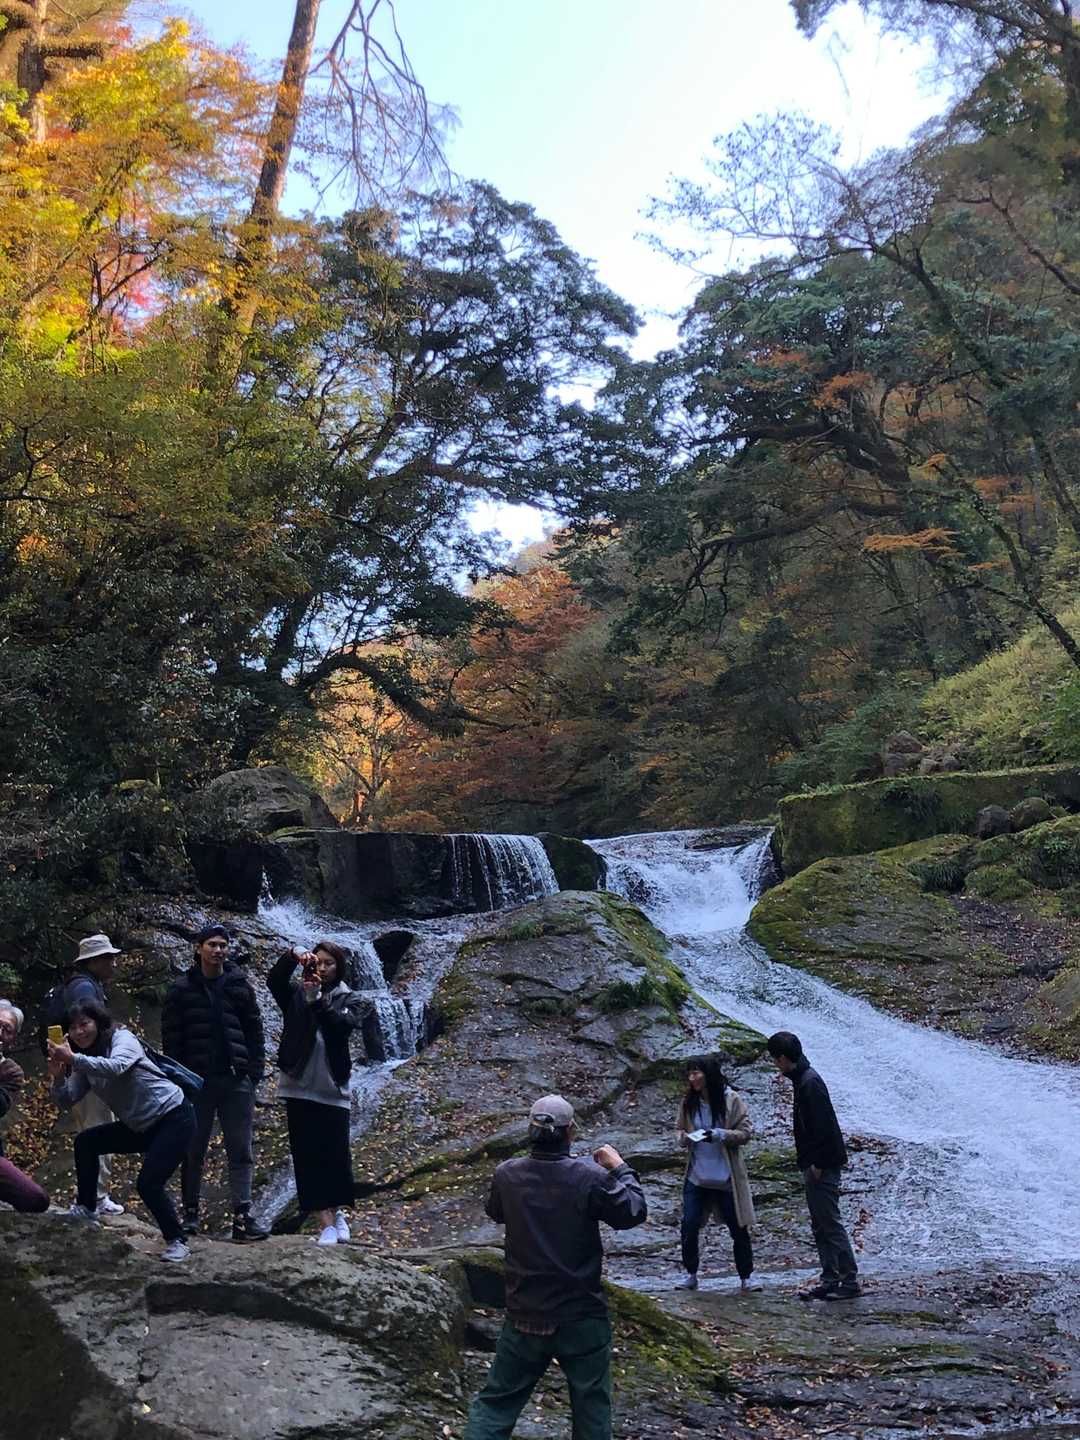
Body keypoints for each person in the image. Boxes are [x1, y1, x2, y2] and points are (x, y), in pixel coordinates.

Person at [464, 1094, 648, 1440]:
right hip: (581, 1315)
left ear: (530, 1131)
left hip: (524, 1312)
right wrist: (620, 1167)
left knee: (496, 1403)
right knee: (592, 1409)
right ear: (570, 1132)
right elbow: (633, 1212)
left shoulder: (508, 1175)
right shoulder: (590, 1177)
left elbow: (495, 1211)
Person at [48, 999, 195, 1261]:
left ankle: (177, 1240)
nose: (79, 1032)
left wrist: (73, 1058)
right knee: (86, 1142)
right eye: (73, 1028)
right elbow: (66, 1099)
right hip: (140, 1124)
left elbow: (116, 1067)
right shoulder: (85, 1062)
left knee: (149, 1183)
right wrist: (59, 1076)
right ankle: (87, 1208)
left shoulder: (122, 1038)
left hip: (173, 1116)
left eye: (84, 1024)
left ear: (98, 1022)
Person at [161, 923, 268, 1242]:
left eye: (223, 945)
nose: (219, 950)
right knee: (193, 1148)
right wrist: (178, 1078)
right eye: (212, 944)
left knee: (241, 1149)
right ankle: (190, 1214)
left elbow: (254, 1029)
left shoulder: (239, 985)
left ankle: (242, 1216)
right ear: (199, 948)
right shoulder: (181, 990)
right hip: (197, 1084)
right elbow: (172, 1038)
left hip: (236, 1080)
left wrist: (254, 1071)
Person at [267, 940, 370, 1246]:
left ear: (339, 967)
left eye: (329, 963)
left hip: (332, 1087)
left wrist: (317, 1001)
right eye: (318, 962)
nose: (322, 968)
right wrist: (292, 955)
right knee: (306, 1155)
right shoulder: (296, 994)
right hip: (298, 1085)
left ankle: (337, 1215)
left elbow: (340, 1027)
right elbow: (274, 981)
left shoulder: (352, 999)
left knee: (335, 1155)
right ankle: (325, 1223)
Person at [767, 1031, 861, 1300]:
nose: (775, 1065)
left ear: (783, 1058)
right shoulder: (803, 1079)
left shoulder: (810, 1082)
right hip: (814, 1163)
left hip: (821, 1165)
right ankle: (830, 1278)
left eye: (775, 1059)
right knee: (821, 1225)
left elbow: (825, 1127)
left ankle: (849, 1281)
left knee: (829, 1223)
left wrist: (818, 1164)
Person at [674, 1054, 759, 1293]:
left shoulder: (731, 1099)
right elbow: (679, 1129)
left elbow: (746, 1132)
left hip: (726, 1177)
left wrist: (721, 1134)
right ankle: (690, 1274)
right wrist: (683, 1138)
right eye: (689, 1074)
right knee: (689, 1225)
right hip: (697, 1176)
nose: (692, 1078)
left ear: (709, 1074)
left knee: (738, 1227)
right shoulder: (688, 1102)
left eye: (696, 1073)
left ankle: (746, 1276)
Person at [64, 933, 125, 1216]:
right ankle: (97, 1198)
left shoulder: (81, 985)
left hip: (82, 1067)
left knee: (92, 1131)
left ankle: (94, 1196)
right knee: (98, 1130)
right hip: (87, 1070)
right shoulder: (85, 990)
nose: (114, 963)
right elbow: (89, 1035)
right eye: (108, 958)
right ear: (94, 961)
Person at [0, 1000, 49, 1213]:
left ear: (12, 1039)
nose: (0, 1032)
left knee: (36, 1199)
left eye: (7, 1029)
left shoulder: (11, 1071)